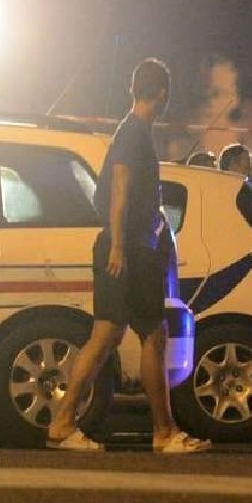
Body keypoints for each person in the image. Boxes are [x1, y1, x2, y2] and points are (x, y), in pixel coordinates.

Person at [46, 58, 210, 454]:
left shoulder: (131, 131)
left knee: (120, 335)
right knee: (141, 336)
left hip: (130, 248)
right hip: (130, 251)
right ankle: (161, 433)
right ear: (162, 94)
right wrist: (119, 245)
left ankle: (68, 424)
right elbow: (119, 189)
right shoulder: (134, 134)